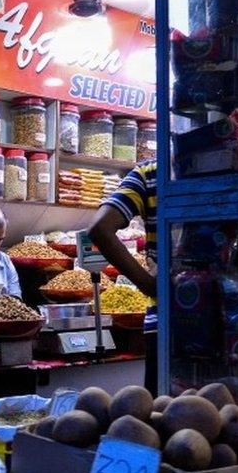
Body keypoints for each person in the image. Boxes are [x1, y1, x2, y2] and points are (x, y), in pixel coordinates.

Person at [88, 161, 158, 390]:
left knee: (163, 417)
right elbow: (99, 229)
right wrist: (148, 285)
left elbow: (100, 227)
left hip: (164, 321)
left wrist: (149, 285)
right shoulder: (235, 165)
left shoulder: (150, 171)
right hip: (231, 319)